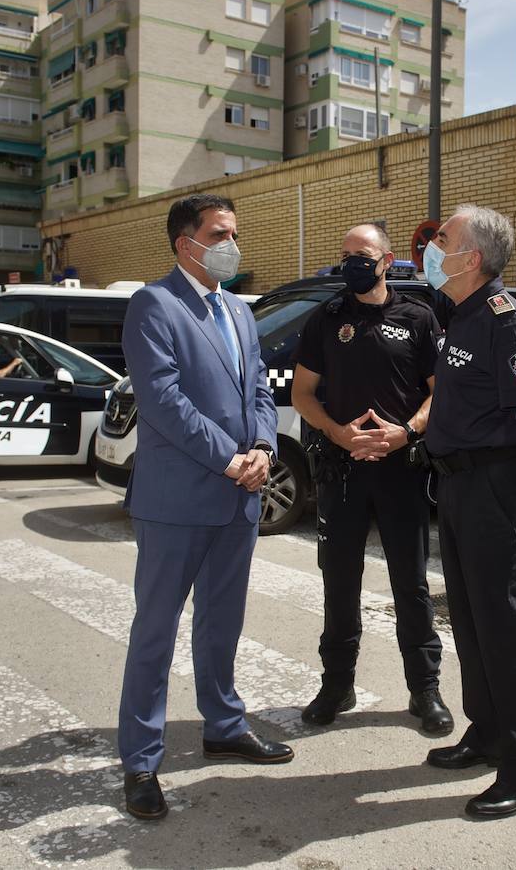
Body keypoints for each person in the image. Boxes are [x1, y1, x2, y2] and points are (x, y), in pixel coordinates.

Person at [117, 193, 291, 822]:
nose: (231, 244)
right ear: (183, 242)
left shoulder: (240, 313)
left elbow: (261, 391)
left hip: (238, 498)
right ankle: (140, 760)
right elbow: (161, 400)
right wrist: (230, 457)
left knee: (222, 624)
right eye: (220, 233)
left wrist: (265, 447)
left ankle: (223, 724)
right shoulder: (154, 305)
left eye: (234, 233)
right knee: (155, 632)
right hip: (178, 500)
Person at [420, 204, 516, 820]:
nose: (430, 246)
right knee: (472, 623)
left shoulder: (507, 321)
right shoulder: (462, 314)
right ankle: (485, 733)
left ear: (471, 259)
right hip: (457, 487)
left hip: (493, 487)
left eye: (442, 239)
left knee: (505, 629)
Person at [290, 222, 453, 735]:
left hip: (401, 472)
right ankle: (337, 685)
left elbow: (439, 392)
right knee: (340, 584)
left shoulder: (419, 317)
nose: (351, 264)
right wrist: (338, 434)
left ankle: (424, 689)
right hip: (342, 473)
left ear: (386, 261)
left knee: (411, 585)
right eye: (345, 254)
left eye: (361, 254)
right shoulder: (327, 318)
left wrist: (406, 432)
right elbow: (302, 394)